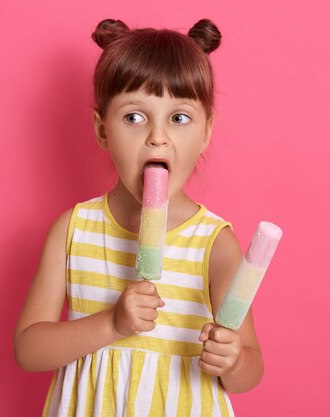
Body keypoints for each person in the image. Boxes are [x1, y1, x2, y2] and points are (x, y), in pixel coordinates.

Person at [13, 18, 264, 416]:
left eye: (179, 118)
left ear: (207, 133)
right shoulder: (73, 230)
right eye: (134, 117)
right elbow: (28, 350)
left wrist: (232, 361)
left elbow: (251, 370)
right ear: (102, 129)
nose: (157, 137)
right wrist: (111, 324)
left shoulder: (214, 244)